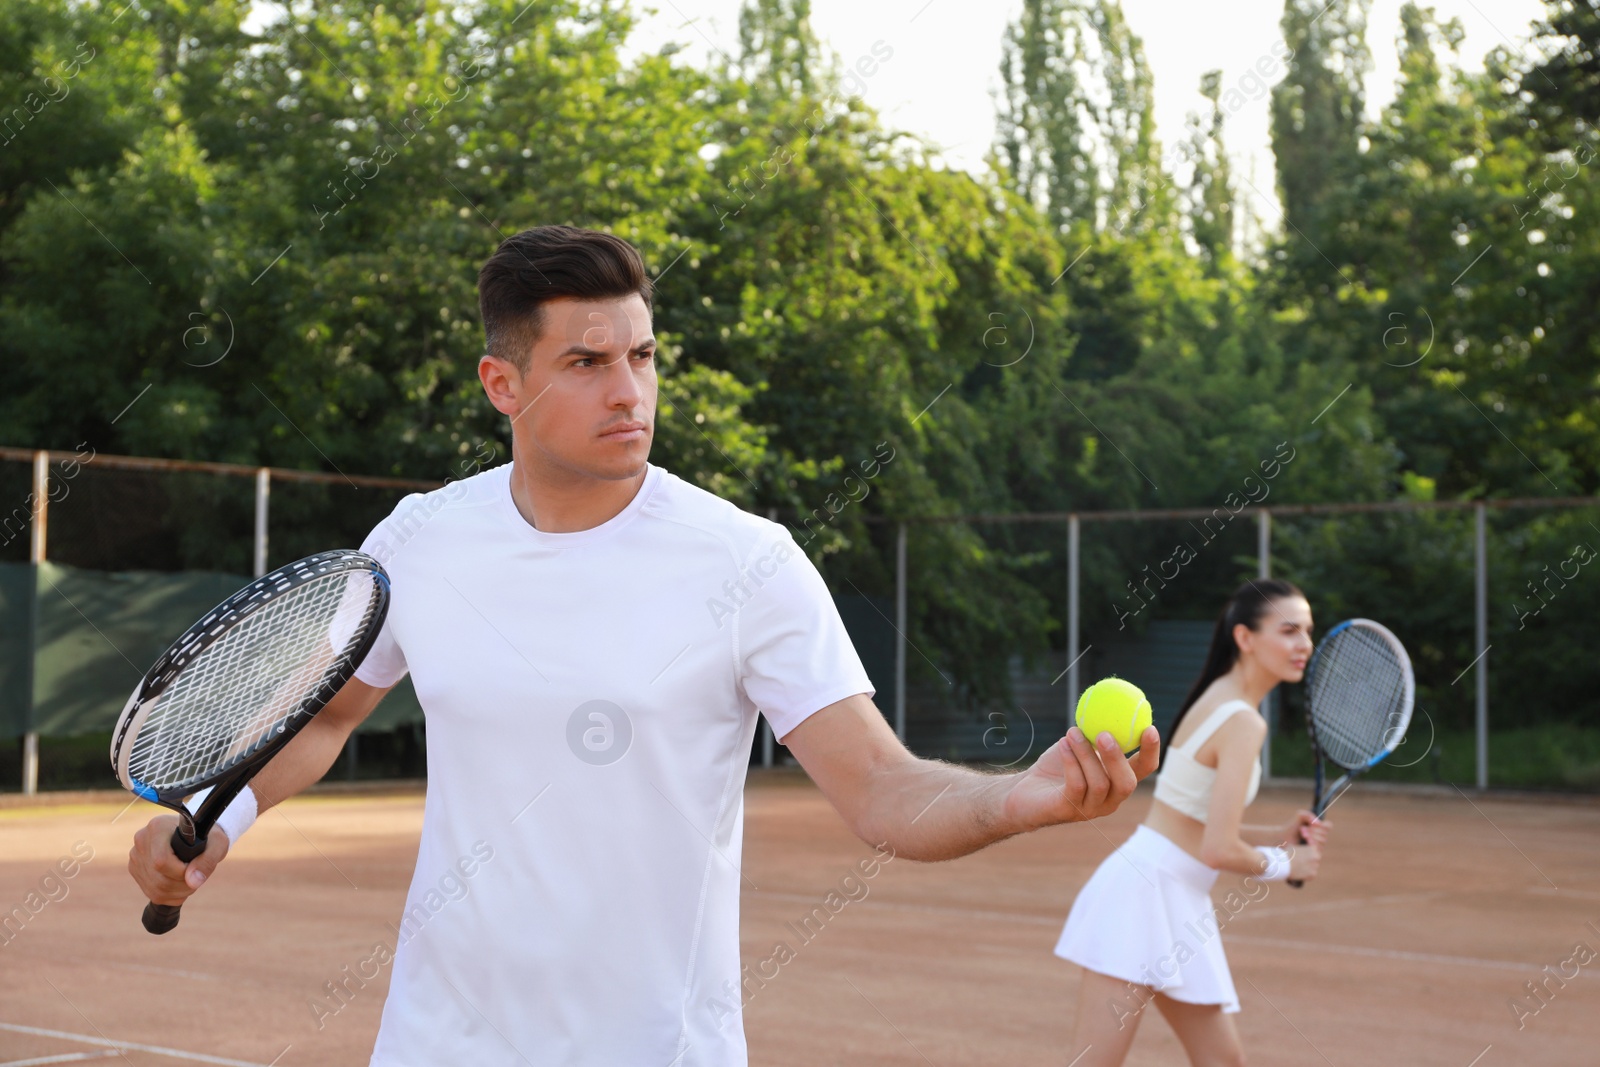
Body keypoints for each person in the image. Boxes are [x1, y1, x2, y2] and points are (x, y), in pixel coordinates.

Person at [127, 224, 1161, 1066]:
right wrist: (224, 815)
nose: (630, 390)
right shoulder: (418, 539)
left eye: (642, 355)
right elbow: (331, 712)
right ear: (502, 384)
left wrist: (1017, 797)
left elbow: (881, 787)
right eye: (586, 361)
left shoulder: (746, 561)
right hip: (439, 1044)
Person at [1054, 578, 1331, 1066]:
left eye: (1307, 631)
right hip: (1145, 894)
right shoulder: (1243, 721)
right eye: (1289, 631)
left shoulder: (1217, 698)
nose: (1304, 644)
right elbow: (1217, 850)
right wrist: (1286, 865)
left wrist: (1276, 842)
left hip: (1166, 891)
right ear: (1245, 638)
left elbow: (1191, 824)